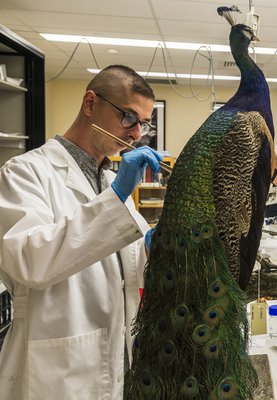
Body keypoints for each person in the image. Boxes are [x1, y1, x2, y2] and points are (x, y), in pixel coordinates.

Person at [0, 65, 163, 399]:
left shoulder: (107, 182)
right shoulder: (25, 173)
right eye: (129, 118)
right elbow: (30, 261)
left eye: (143, 124)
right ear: (91, 103)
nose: (135, 135)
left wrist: (155, 247)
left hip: (116, 361)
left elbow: (123, 274)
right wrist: (117, 197)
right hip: (58, 369)